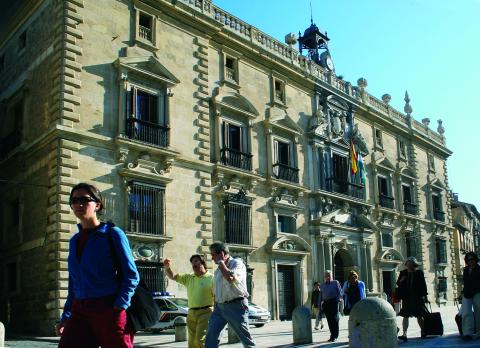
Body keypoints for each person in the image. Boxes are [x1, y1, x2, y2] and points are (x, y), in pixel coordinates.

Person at [56, 183, 140, 348]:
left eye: (84, 200)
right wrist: (66, 316)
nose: (78, 204)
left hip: (108, 307)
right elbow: (73, 282)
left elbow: (131, 275)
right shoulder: (74, 241)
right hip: (79, 309)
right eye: (74, 200)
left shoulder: (112, 234)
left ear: (97, 205)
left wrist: (120, 305)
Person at [205, 241, 256, 348]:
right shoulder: (218, 270)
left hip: (236, 306)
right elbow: (217, 291)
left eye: (213, 254)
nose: (212, 257)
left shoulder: (237, 264)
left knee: (246, 340)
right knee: (211, 336)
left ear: (222, 254)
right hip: (219, 308)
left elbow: (230, 278)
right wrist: (215, 306)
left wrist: (221, 263)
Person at [164, 255, 214, 348]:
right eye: (192, 262)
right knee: (191, 343)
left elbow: (216, 296)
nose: (193, 264)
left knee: (200, 340)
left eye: (196, 261)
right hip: (191, 312)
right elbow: (173, 276)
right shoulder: (188, 277)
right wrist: (167, 267)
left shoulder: (211, 278)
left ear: (202, 263)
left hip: (206, 312)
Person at [396, 256, 428, 342]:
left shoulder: (419, 273)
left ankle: (423, 331)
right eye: (407, 262)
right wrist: (401, 280)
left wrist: (424, 296)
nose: (408, 264)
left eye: (410, 262)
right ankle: (404, 334)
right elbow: (398, 283)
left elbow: (423, 285)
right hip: (407, 298)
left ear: (414, 264)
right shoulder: (403, 273)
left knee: (419, 315)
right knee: (405, 315)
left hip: (417, 297)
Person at [461, 251, 480, 341]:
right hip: (467, 293)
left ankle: (479, 332)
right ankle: (467, 333)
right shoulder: (465, 270)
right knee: (466, 313)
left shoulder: (479, 269)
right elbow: (465, 282)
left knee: (478, 312)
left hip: (477, 292)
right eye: (469, 260)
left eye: (472, 259)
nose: (470, 261)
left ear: (475, 260)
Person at [320, 270, 342, 342]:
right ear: (324, 277)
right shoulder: (322, 285)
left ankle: (335, 336)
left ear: (331, 276)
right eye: (326, 276)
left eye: (329, 275)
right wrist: (319, 304)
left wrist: (339, 299)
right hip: (326, 303)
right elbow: (320, 295)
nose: (328, 277)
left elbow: (340, 292)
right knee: (329, 320)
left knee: (335, 319)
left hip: (334, 302)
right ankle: (332, 335)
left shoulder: (335, 282)